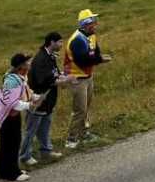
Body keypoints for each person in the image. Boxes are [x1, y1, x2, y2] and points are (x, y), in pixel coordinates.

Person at [63, 9, 109, 149]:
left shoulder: (91, 36)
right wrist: (99, 60)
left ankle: (83, 133)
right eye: (93, 22)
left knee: (86, 107)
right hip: (77, 78)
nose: (95, 25)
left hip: (88, 76)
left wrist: (97, 57)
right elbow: (83, 61)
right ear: (86, 24)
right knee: (80, 109)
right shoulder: (77, 40)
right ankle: (71, 138)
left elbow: (96, 52)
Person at [20, 31, 67, 167]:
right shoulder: (41, 59)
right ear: (52, 42)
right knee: (31, 129)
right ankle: (25, 156)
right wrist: (63, 81)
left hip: (48, 100)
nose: (62, 44)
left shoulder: (50, 56)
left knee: (45, 127)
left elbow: (53, 73)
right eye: (60, 42)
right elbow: (43, 80)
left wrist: (61, 75)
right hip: (38, 100)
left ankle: (46, 151)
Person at [0, 53, 33, 182]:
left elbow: (26, 93)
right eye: (27, 62)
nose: (30, 64)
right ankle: (12, 173)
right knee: (10, 144)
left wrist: (34, 98)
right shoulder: (12, 81)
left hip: (13, 115)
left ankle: (6, 170)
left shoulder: (20, 78)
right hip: (8, 117)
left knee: (12, 142)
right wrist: (29, 105)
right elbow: (12, 103)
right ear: (21, 66)